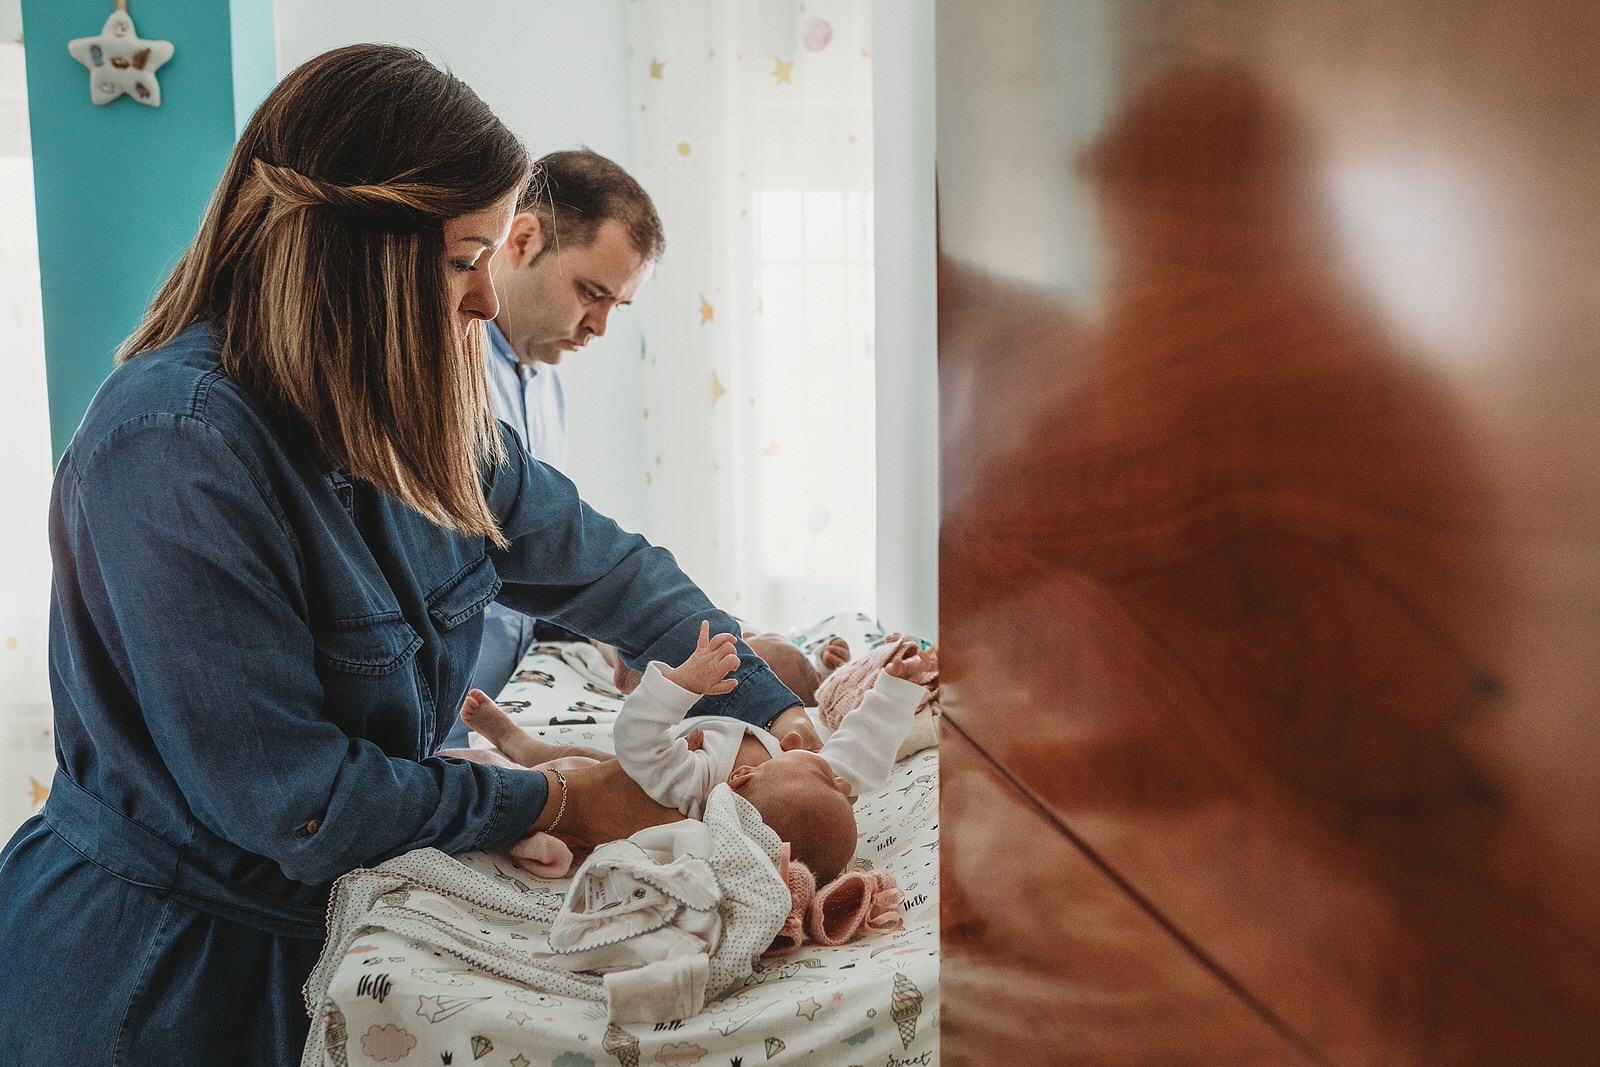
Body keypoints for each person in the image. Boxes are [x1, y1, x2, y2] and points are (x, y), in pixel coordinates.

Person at [0, 45, 804, 1066]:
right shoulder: (175, 448)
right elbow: (297, 799)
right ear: (353, 253)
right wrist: (555, 795)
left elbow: (610, 568)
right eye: (465, 259)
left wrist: (774, 707)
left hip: (314, 937)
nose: (481, 300)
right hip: (158, 976)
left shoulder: (414, 423)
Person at [463, 625, 933, 883]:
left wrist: (680, 688)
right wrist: (896, 688)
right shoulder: (815, 782)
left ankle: (515, 743)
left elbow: (637, 742)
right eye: (843, 792)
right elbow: (863, 745)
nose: (845, 785)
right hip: (711, 717)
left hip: (653, 751)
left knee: (583, 757)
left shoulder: (699, 784)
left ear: (744, 779)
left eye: (830, 783)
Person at [469, 149, 664, 703]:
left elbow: (534, 554)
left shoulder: (547, 385)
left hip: (501, 702)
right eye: (590, 293)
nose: (599, 326)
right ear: (524, 239)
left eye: (616, 307)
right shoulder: (446, 373)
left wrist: (611, 636)